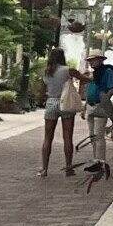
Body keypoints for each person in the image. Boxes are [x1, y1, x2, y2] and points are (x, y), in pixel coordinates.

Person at [39, 48, 81, 177]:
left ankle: (45, 169)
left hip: (51, 103)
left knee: (47, 138)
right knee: (67, 136)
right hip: (66, 103)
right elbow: (84, 78)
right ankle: (69, 167)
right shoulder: (67, 70)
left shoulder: (47, 72)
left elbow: (41, 92)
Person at [78, 51, 113, 172]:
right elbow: (89, 91)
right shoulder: (94, 74)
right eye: (90, 60)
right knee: (92, 136)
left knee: (98, 135)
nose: (92, 62)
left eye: (94, 60)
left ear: (100, 60)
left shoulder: (107, 72)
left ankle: (101, 162)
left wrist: (105, 99)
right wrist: (84, 107)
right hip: (91, 105)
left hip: (100, 105)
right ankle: (96, 159)